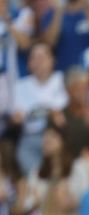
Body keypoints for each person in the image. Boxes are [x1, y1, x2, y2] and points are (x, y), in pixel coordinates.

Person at [11, 43, 67, 174]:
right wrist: (15, 120)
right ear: (29, 63)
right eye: (34, 58)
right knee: (26, 160)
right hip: (30, 137)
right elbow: (16, 118)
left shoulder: (62, 80)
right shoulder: (19, 86)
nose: (39, 61)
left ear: (52, 60)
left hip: (56, 135)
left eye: (42, 57)